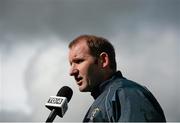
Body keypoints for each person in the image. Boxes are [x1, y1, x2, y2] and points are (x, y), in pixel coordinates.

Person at [68, 34, 166, 122]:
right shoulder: (103, 101)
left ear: (103, 60)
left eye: (79, 61)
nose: (71, 72)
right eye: (71, 64)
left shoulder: (126, 93)